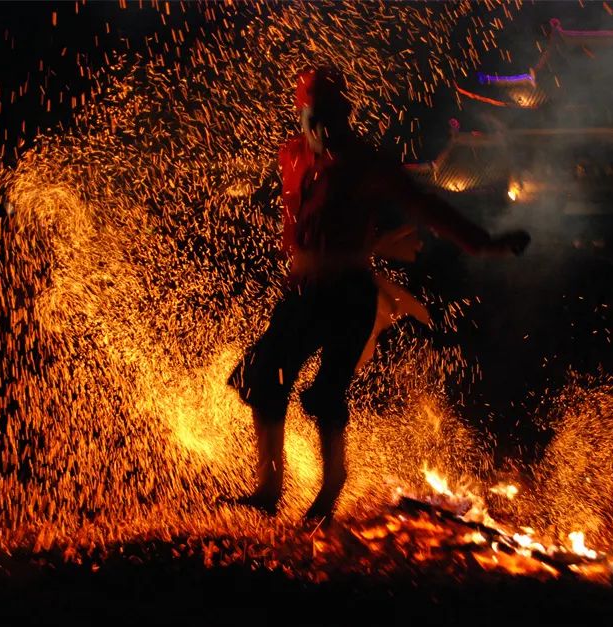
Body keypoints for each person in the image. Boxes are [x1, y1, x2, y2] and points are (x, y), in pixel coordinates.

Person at [226, 66, 530, 523]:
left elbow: (426, 206)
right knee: (263, 374)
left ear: (344, 115)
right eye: (315, 116)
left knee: (326, 393)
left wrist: (484, 243)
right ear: (302, 114)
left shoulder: (365, 163)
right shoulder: (290, 155)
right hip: (302, 292)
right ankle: (268, 488)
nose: (325, 127)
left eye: (333, 116)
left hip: (347, 294)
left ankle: (331, 488)